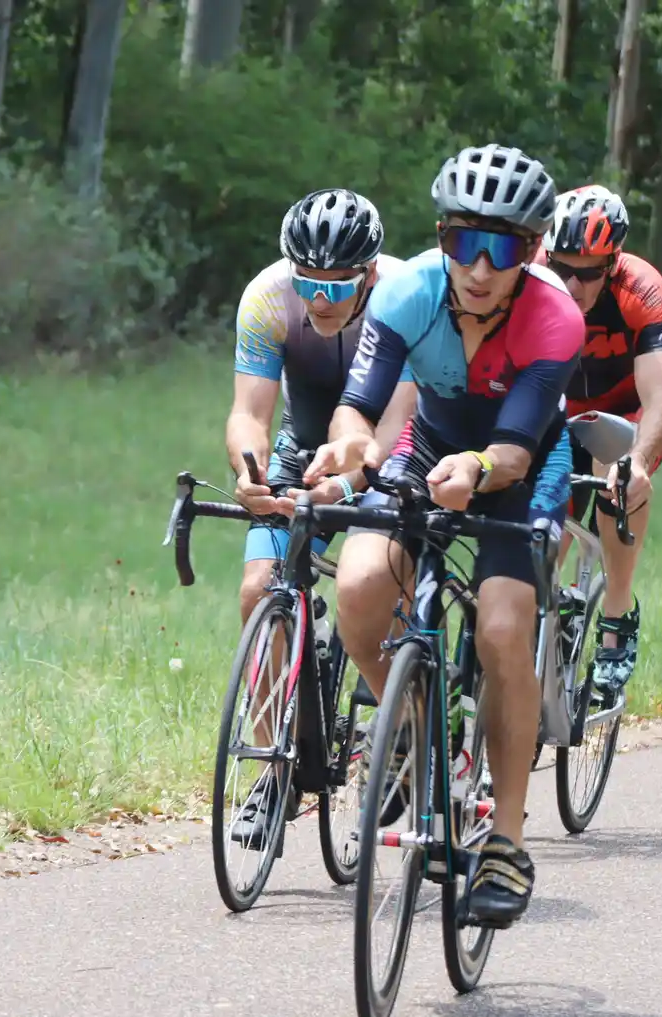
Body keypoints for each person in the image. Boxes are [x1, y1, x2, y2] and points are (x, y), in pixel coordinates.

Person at [304, 144, 583, 926]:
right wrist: (352, 444)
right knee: (359, 585)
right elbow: (359, 405)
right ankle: (411, 723)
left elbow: (516, 447)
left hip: (517, 460)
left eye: (502, 249)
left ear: (529, 253)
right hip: (427, 443)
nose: (481, 267)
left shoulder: (554, 317)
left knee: (500, 627)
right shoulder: (406, 292)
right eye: (465, 243)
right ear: (440, 239)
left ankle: (506, 839)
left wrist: (477, 466)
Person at [224, 188, 416, 846]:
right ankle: (270, 775)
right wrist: (248, 475)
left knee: (375, 596)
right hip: (300, 451)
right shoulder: (267, 297)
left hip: (383, 456)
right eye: (309, 282)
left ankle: (400, 733)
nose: (321, 300)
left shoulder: (407, 296)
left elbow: (395, 429)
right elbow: (250, 413)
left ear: (368, 274)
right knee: (259, 589)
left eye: (338, 285)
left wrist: (354, 479)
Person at [542, 184, 662, 693]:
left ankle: (618, 609)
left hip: (628, 412)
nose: (573, 285)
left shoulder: (640, 289)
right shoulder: (533, 276)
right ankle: (544, 617)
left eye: (589, 273)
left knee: (615, 478)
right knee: (541, 524)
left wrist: (639, 460)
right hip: (560, 410)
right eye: (563, 269)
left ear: (613, 262)